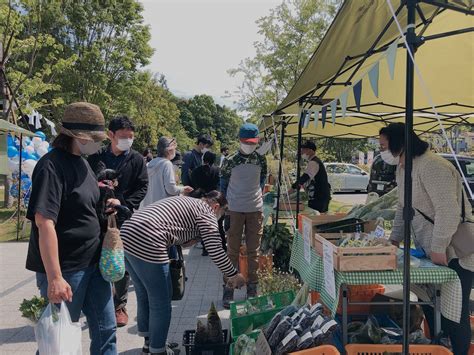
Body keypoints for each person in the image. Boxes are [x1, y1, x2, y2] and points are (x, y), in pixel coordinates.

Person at [26, 102, 117, 354]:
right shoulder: (51, 166)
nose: (98, 144)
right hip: (66, 269)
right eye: (94, 139)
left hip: (92, 263)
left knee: (106, 330)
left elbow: (82, 205)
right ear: (77, 136)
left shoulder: (82, 162)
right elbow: (44, 222)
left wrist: (105, 204)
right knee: (58, 340)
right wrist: (55, 277)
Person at [380, 122, 473, 355]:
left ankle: (459, 351)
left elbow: (448, 210)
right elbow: (403, 207)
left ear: (400, 143)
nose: (381, 150)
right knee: (431, 306)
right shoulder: (403, 168)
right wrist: (394, 240)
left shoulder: (433, 166)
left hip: (455, 252)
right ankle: (439, 348)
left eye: (383, 145)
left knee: (454, 313)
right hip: (430, 251)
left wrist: (439, 245)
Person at [120, 192, 245, 355]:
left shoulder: (190, 203)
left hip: (127, 232)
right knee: (161, 302)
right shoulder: (207, 212)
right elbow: (215, 249)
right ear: (216, 207)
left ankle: (149, 344)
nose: (220, 218)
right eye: (221, 213)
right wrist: (233, 274)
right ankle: (158, 350)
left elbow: (177, 233)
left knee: (144, 293)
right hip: (148, 237)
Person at [88, 115, 148, 327]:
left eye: (131, 137)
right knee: (96, 258)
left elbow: (142, 187)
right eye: (123, 136)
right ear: (110, 135)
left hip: (122, 217)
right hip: (96, 215)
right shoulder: (95, 157)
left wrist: (123, 203)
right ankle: (97, 302)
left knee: (119, 259)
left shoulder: (137, 159)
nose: (128, 140)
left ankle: (119, 305)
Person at [220, 123, 267, 307]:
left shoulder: (260, 160)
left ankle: (252, 289)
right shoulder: (230, 160)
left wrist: (257, 193)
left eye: (252, 142)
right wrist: (228, 204)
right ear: (239, 140)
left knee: (253, 251)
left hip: (255, 209)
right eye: (246, 141)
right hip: (235, 209)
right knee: (231, 250)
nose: (249, 144)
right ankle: (229, 289)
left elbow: (262, 180)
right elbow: (223, 185)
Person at [140, 137, 193, 208]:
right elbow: (171, 189)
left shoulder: (149, 164)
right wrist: (183, 189)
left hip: (147, 207)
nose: (175, 151)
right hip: (161, 207)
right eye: (174, 149)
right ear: (169, 150)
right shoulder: (166, 164)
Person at [191, 151, 221, 256]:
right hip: (214, 200)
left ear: (203, 159)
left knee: (203, 225)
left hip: (200, 199)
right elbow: (219, 185)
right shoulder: (217, 170)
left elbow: (193, 184)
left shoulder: (195, 171)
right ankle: (220, 246)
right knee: (217, 223)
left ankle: (205, 248)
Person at [290, 140, 331, 213]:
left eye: (304, 150)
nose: (302, 152)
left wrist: (293, 188)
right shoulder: (313, 161)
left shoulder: (314, 162)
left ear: (311, 151)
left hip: (319, 196)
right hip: (318, 195)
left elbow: (305, 177)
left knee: (316, 218)